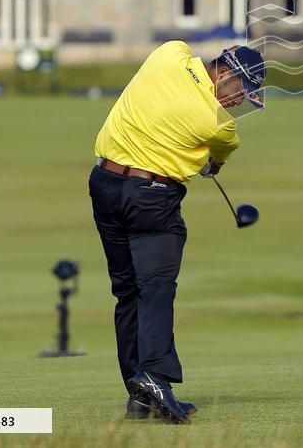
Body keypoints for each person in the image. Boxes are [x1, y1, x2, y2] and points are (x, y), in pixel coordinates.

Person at [89, 41, 265, 424]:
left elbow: (177, 82)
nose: (239, 102)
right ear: (224, 73)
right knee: (155, 288)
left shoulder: (169, 53)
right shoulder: (217, 122)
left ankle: (140, 394)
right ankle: (153, 377)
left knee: (127, 290)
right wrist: (210, 162)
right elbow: (220, 151)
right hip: (151, 199)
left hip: (104, 184)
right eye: (242, 91)